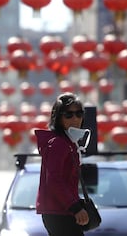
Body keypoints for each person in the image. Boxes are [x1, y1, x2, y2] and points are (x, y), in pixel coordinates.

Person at [34, 92, 89, 236]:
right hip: (59, 212)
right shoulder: (59, 143)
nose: (75, 118)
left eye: (79, 113)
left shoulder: (69, 143)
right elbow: (53, 179)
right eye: (68, 114)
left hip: (63, 211)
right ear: (58, 117)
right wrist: (75, 207)